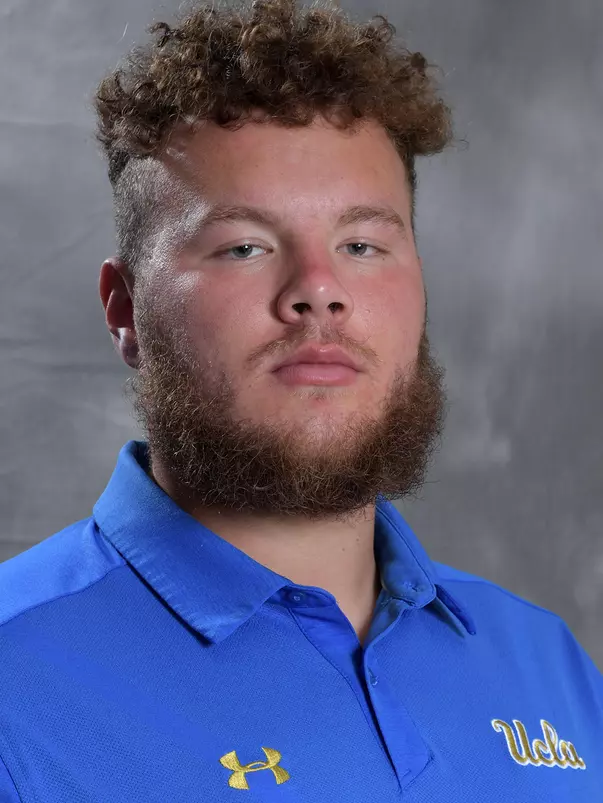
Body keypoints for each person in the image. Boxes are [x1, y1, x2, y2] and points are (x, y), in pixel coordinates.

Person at [1, 0, 601, 800]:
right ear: (125, 311)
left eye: (361, 245)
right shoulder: (17, 684)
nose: (319, 291)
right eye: (243, 246)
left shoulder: (548, 665)